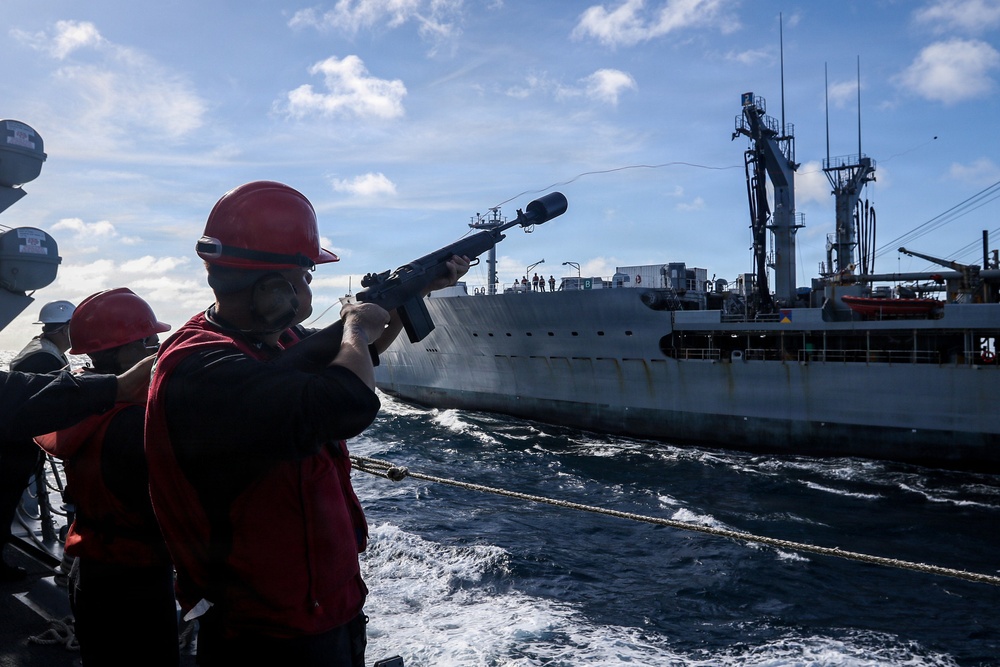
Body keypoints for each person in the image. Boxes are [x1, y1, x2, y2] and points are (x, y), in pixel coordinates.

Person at [144, 181, 468, 666]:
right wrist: (356, 325)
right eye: (306, 276)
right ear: (274, 289)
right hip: (266, 624)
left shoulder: (272, 342)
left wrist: (411, 292)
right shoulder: (203, 367)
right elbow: (349, 401)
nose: (310, 288)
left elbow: (359, 356)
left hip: (320, 605)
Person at [34, 288, 178, 666]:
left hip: (92, 568)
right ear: (121, 352)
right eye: (149, 341)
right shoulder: (134, 424)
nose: (157, 349)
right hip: (138, 578)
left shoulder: (81, 404)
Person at [0, 300, 74, 581]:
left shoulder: (39, 348)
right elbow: (43, 405)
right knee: (4, 503)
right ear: (65, 328)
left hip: (11, 441)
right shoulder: (45, 358)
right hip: (16, 446)